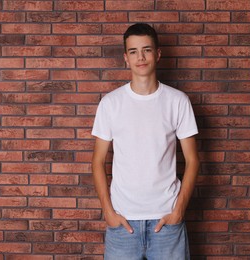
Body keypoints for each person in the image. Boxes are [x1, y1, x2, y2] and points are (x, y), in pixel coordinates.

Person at [91, 23, 200, 260]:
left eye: (147, 50)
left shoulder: (178, 101)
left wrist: (178, 211)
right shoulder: (111, 103)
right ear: (126, 58)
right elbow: (97, 161)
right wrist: (108, 212)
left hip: (167, 223)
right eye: (133, 51)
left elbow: (193, 161)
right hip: (122, 224)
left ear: (158, 54)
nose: (140, 57)